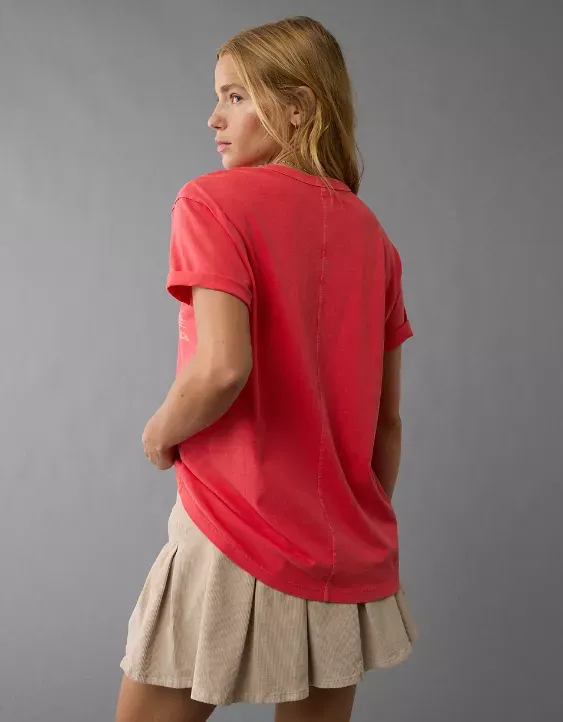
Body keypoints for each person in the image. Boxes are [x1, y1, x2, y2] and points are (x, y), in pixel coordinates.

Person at [115, 15, 418, 722]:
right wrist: (353, 517)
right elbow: (387, 422)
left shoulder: (211, 201)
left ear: (298, 106)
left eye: (236, 96)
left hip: (232, 523)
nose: (214, 118)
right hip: (345, 549)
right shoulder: (373, 237)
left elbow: (223, 369)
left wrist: (158, 435)